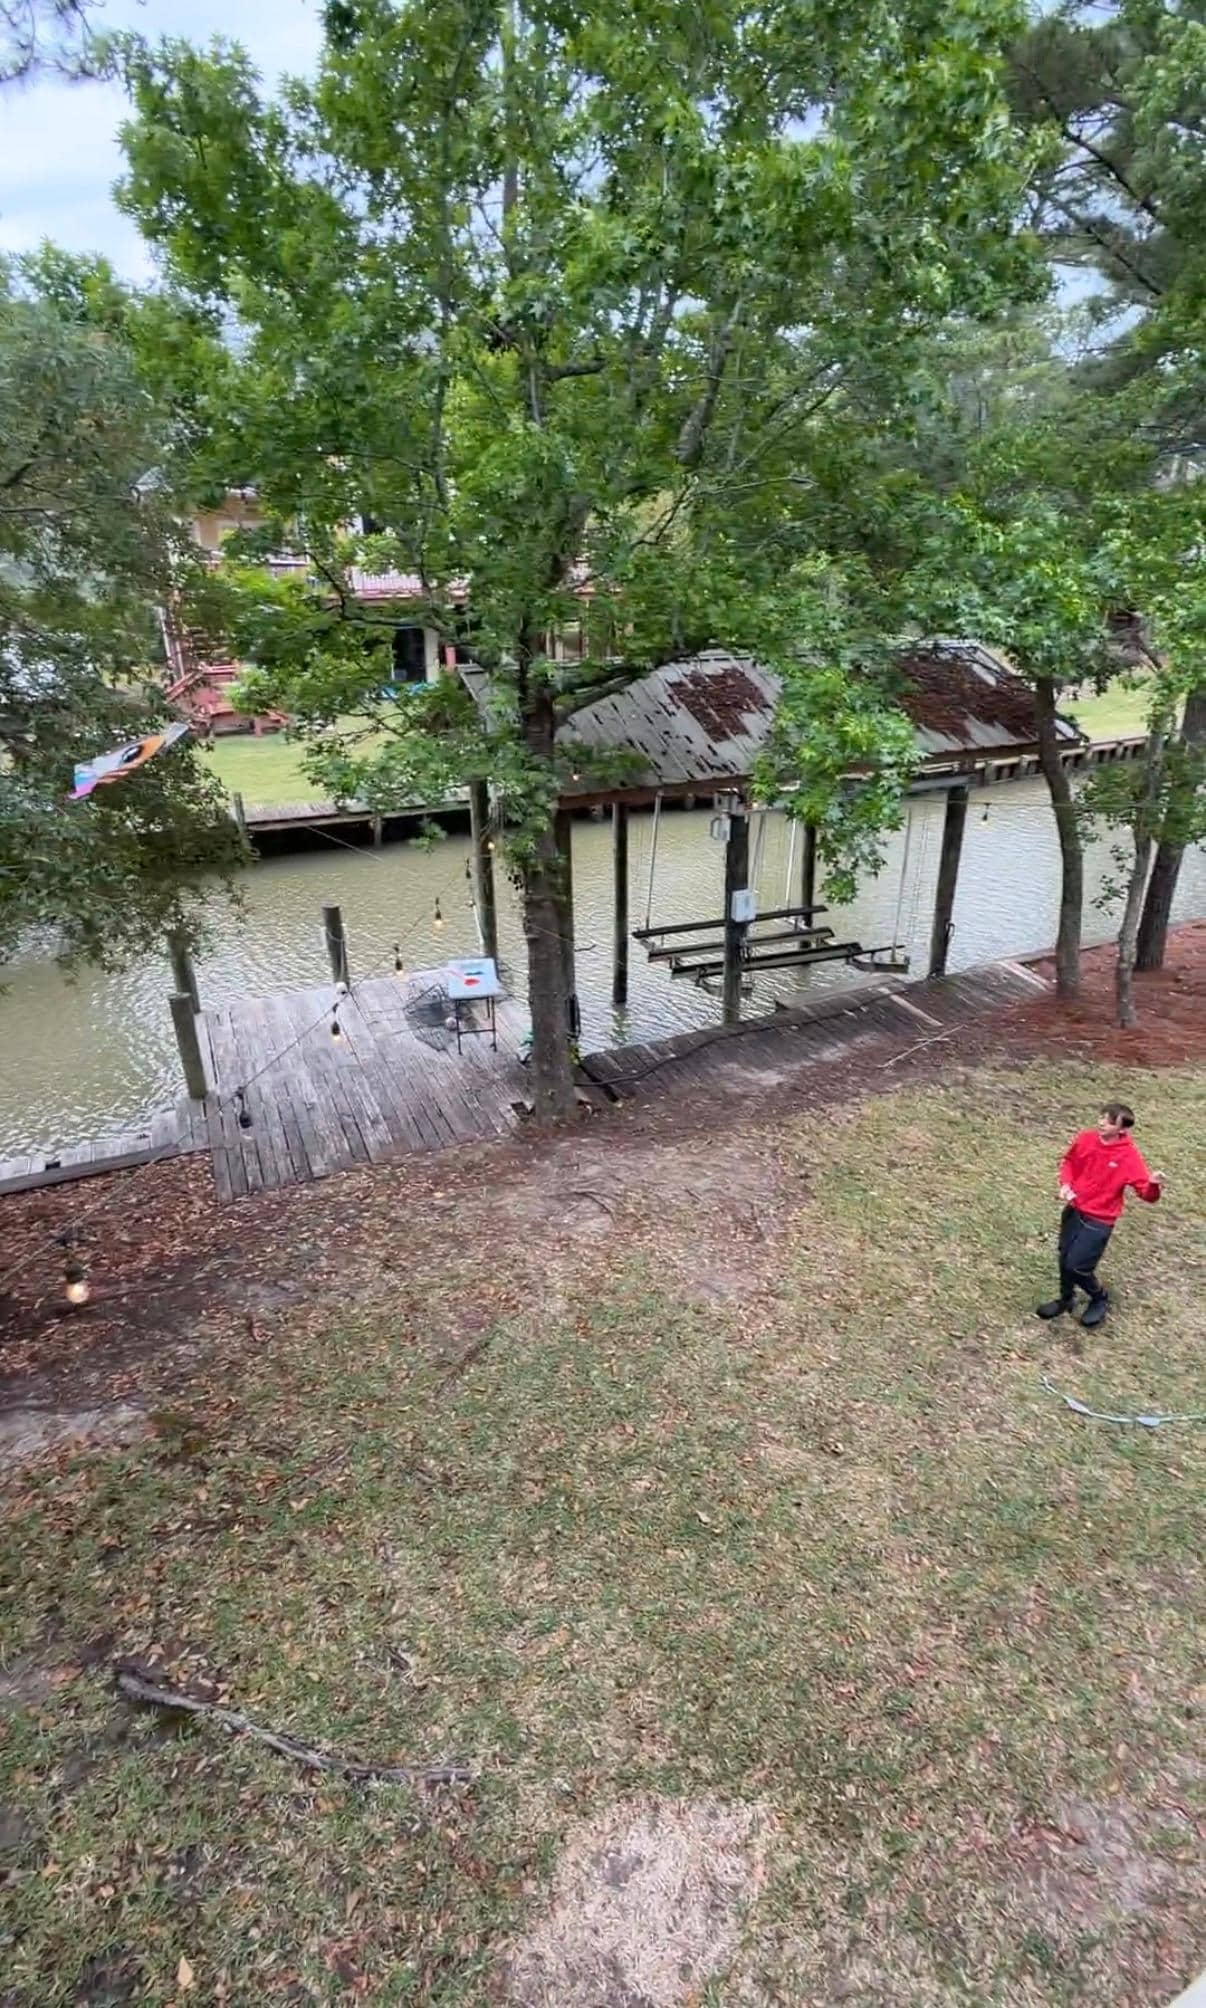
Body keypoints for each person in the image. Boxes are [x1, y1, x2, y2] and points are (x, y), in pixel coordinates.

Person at [1036, 1102, 1164, 1329]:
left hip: (1100, 1220)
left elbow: (1146, 1194)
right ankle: (1066, 1299)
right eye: (1102, 1117)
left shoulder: (1128, 1156)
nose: (1101, 1122)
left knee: (1077, 1265)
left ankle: (1099, 1297)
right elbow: (1069, 1162)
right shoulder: (1086, 1139)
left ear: (1121, 1129)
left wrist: (1153, 1185)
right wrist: (1066, 1184)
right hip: (1075, 1210)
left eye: (1108, 1120)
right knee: (1064, 1258)